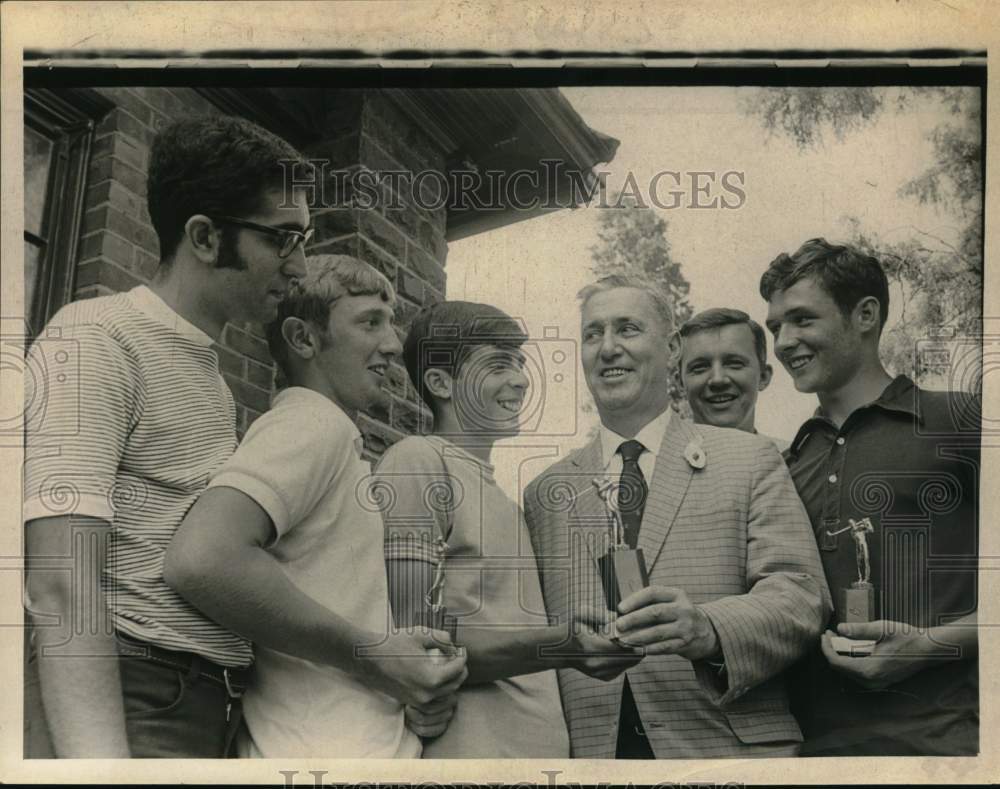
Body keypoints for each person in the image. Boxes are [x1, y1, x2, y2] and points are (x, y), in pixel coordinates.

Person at [23, 115, 312, 758]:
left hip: (214, 712)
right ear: (205, 237)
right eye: (283, 238)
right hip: (135, 703)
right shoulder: (96, 338)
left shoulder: (210, 380)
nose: (300, 265)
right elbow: (61, 584)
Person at [165, 256, 468, 757]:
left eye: (390, 323)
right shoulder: (311, 424)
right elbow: (202, 557)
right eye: (370, 322)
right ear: (303, 339)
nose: (393, 344)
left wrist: (410, 681)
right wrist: (375, 657)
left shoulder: (333, 437)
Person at [523, 274, 831, 759]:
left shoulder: (748, 458)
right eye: (592, 334)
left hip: (727, 753)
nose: (608, 348)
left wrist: (708, 629)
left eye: (627, 329)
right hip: (592, 758)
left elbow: (801, 595)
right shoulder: (544, 493)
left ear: (670, 349)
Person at [376, 300, 639, 758]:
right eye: (498, 365)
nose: (520, 379)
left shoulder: (509, 502)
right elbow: (416, 648)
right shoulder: (418, 460)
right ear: (441, 383)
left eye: (519, 364)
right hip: (471, 755)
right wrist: (561, 644)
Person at [760, 238, 980, 756]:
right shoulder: (784, 464)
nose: (784, 342)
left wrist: (926, 647)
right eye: (774, 328)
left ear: (865, 314)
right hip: (809, 757)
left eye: (802, 319)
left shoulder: (962, 421)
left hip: (944, 751)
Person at [674, 307, 784, 447]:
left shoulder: (787, 459)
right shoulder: (659, 459)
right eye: (700, 367)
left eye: (734, 364)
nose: (718, 379)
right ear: (680, 383)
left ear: (763, 376)